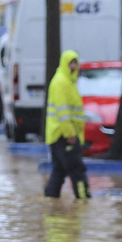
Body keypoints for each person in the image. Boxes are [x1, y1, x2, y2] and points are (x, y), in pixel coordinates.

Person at [44, 49, 89, 199]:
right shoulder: (61, 82)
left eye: (76, 62)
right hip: (63, 135)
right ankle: (83, 199)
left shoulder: (68, 82)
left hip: (60, 134)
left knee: (59, 170)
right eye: (71, 63)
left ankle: (51, 198)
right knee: (77, 170)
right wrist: (70, 134)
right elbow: (63, 113)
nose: (74, 66)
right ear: (64, 63)